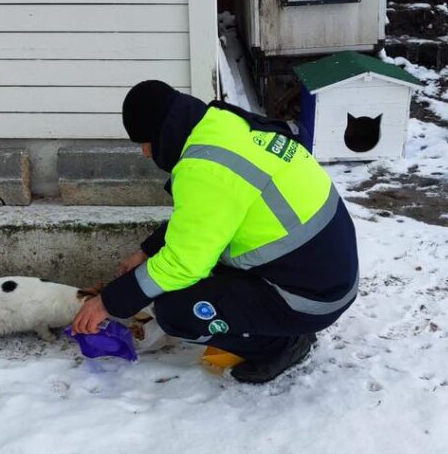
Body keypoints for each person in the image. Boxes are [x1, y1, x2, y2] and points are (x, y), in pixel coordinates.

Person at [71, 80, 359, 383]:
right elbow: (207, 216)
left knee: (174, 311)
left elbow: (183, 264)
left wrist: (108, 302)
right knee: (197, 278)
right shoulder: (222, 124)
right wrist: (147, 251)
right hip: (327, 278)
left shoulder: (204, 168)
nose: (145, 153)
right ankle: (283, 325)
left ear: (160, 133)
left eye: (144, 142)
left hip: (311, 299)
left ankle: (282, 344)